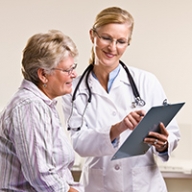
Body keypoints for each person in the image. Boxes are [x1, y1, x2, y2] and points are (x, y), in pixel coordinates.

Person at [62, 7, 180, 192]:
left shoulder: (146, 81)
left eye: (121, 41)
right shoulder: (73, 89)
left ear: (128, 43)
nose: (112, 48)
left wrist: (163, 143)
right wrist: (118, 128)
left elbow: (172, 133)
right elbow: (79, 143)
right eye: (106, 38)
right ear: (93, 35)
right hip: (98, 185)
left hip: (145, 186)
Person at [0, 30, 84, 192]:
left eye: (73, 67)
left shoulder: (43, 105)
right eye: (67, 70)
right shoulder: (28, 106)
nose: (74, 74)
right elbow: (41, 176)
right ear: (43, 74)